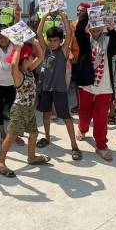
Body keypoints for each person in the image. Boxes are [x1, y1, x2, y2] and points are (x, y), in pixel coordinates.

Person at [0, 42, 49, 177]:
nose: (33, 58)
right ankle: (0, 162)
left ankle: (31, 157)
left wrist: (36, 43)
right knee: (12, 135)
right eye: (30, 57)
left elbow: (41, 57)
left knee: (34, 134)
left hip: (30, 109)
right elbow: (13, 64)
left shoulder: (29, 70)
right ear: (24, 59)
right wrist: (18, 48)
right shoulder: (18, 75)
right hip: (19, 109)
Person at [74, 8, 116, 162]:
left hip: (105, 87)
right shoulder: (85, 39)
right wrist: (90, 12)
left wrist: (112, 30)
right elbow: (79, 30)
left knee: (101, 118)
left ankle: (101, 145)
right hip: (87, 85)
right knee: (84, 112)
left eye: (99, 24)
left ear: (103, 26)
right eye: (93, 24)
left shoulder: (109, 40)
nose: (95, 28)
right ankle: (82, 129)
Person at [35, 11, 82, 160]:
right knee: (46, 114)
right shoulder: (45, 50)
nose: (52, 42)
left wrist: (62, 14)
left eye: (55, 40)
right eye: (50, 40)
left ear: (61, 41)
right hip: (45, 89)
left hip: (60, 90)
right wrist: (46, 14)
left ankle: (74, 145)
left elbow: (69, 33)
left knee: (66, 117)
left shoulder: (63, 50)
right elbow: (38, 32)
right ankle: (47, 137)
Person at [0, 6, 25, 146]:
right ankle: (3, 134)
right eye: (0, 37)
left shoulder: (13, 47)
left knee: (13, 110)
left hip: (12, 83)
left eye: (5, 37)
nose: (2, 39)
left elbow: (17, 28)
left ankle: (13, 134)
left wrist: (18, 15)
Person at [69, 2, 90, 114]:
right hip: (76, 59)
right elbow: (70, 40)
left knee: (88, 85)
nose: (79, 12)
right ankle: (79, 105)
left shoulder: (91, 25)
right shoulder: (73, 24)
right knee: (77, 84)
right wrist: (70, 53)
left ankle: (88, 106)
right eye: (78, 10)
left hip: (88, 59)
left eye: (82, 10)